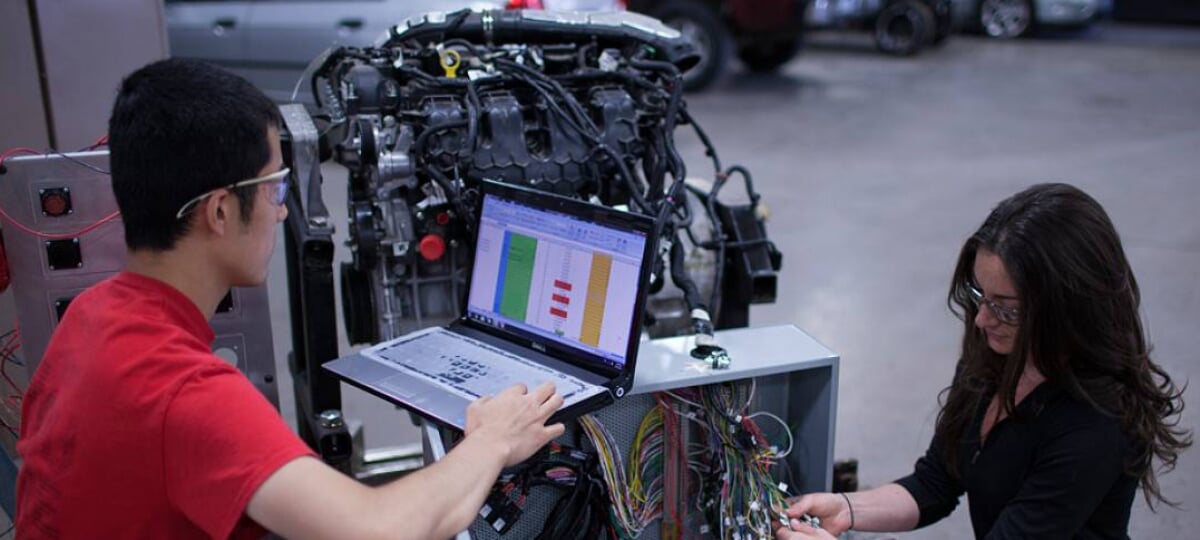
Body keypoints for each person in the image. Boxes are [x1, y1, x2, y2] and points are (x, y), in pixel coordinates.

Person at [16, 58, 565, 539]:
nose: (282, 211)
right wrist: (490, 441)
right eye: (275, 188)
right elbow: (379, 531)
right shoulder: (184, 395)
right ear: (221, 211)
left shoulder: (92, 316)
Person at [777, 183, 1191, 539]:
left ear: (1066, 308)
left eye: (1007, 308)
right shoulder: (997, 355)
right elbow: (935, 483)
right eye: (980, 296)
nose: (982, 319)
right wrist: (845, 508)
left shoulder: (1094, 426)